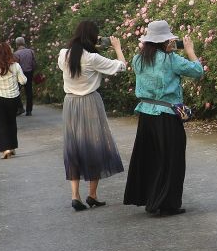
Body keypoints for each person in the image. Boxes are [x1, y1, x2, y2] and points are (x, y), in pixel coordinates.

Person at [124, 20, 203, 216]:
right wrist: (191, 51)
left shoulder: (137, 60)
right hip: (167, 116)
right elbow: (197, 71)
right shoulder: (171, 60)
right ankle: (167, 203)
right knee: (171, 159)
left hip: (146, 115)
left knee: (151, 158)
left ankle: (151, 198)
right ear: (164, 41)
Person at [58, 20, 127, 212]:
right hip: (89, 103)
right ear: (93, 37)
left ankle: (75, 196)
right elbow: (121, 66)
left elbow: (69, 66)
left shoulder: (64, 54)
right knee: (94, 145)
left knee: (74, 147)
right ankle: (92, 194)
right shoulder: (92, 58)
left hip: (70, 103)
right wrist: (117, 47)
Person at [0, 42, 27, 159]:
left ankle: (6, 149)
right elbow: (23, 81)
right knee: (11, 122)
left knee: (1, 124)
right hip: (13, 98)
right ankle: (12, 147)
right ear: (9, 52)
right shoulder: (16, 66)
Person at [13, 36, 36, 116]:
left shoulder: (16, 54)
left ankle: (19, 108)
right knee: (29, 92)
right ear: (24, 43)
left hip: (20, 74)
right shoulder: (31, 51)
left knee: (16, 91)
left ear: (17, 44)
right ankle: (29, 111)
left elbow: (16, 65)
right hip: (29, 73)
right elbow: (34, 63)